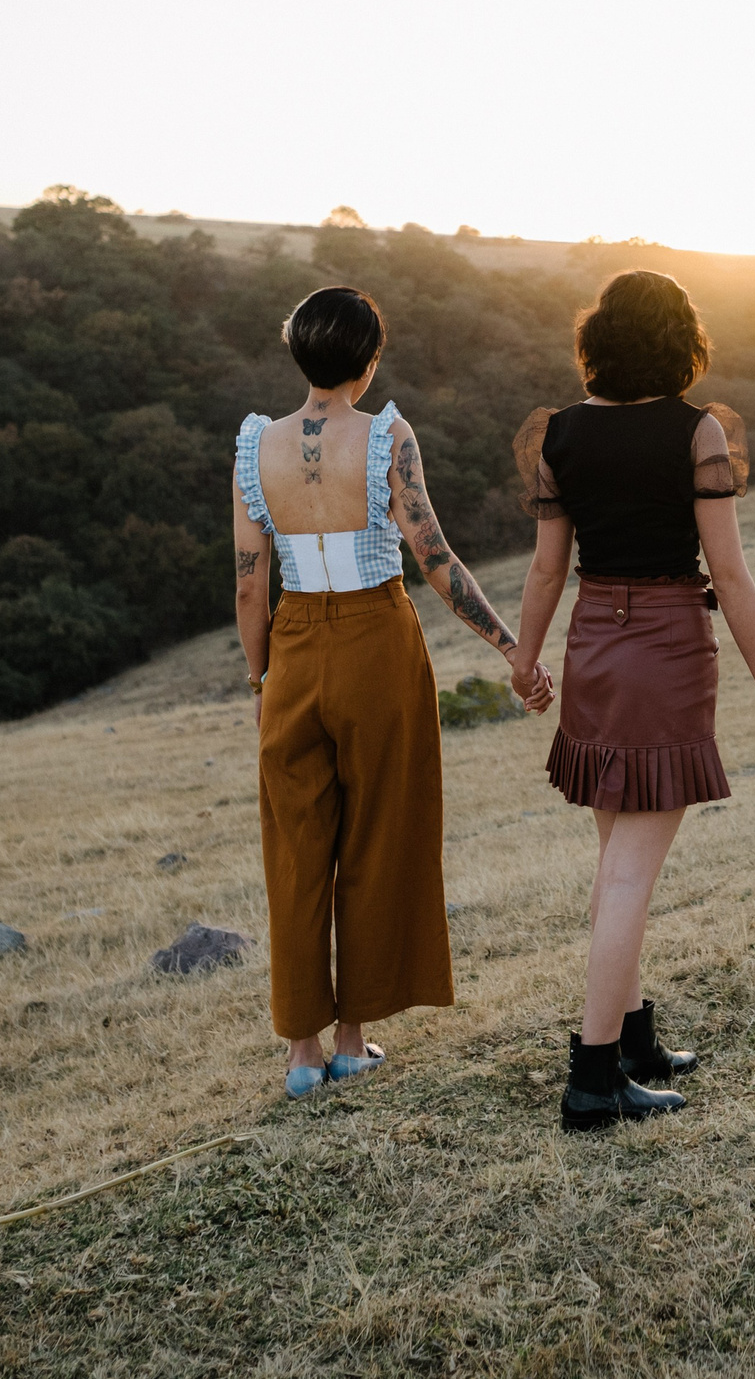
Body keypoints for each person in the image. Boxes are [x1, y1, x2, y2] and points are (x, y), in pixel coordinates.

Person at [507, 270, 755, 1132]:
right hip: (664, 647)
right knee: (628, 878)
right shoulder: (698, 435)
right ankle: (592, 1081)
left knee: (618, 859)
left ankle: (637, 1042)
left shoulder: (560, 433)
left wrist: (525, 659)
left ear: (599, 338)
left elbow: (546, 568)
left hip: (592, 650)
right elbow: (730, 573)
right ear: (681, 341)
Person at [233, 285, 539, 1100]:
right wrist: (512, 649)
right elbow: (435, 560)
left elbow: (248, 585)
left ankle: (300, 1053)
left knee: (297, 849)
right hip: (377, 642)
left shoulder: (254, 447)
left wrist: (262, 680)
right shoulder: (386, 437)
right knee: (377, 835)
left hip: (293, 649)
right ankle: (350, 1039)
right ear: (368, 362)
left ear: (298, 354)